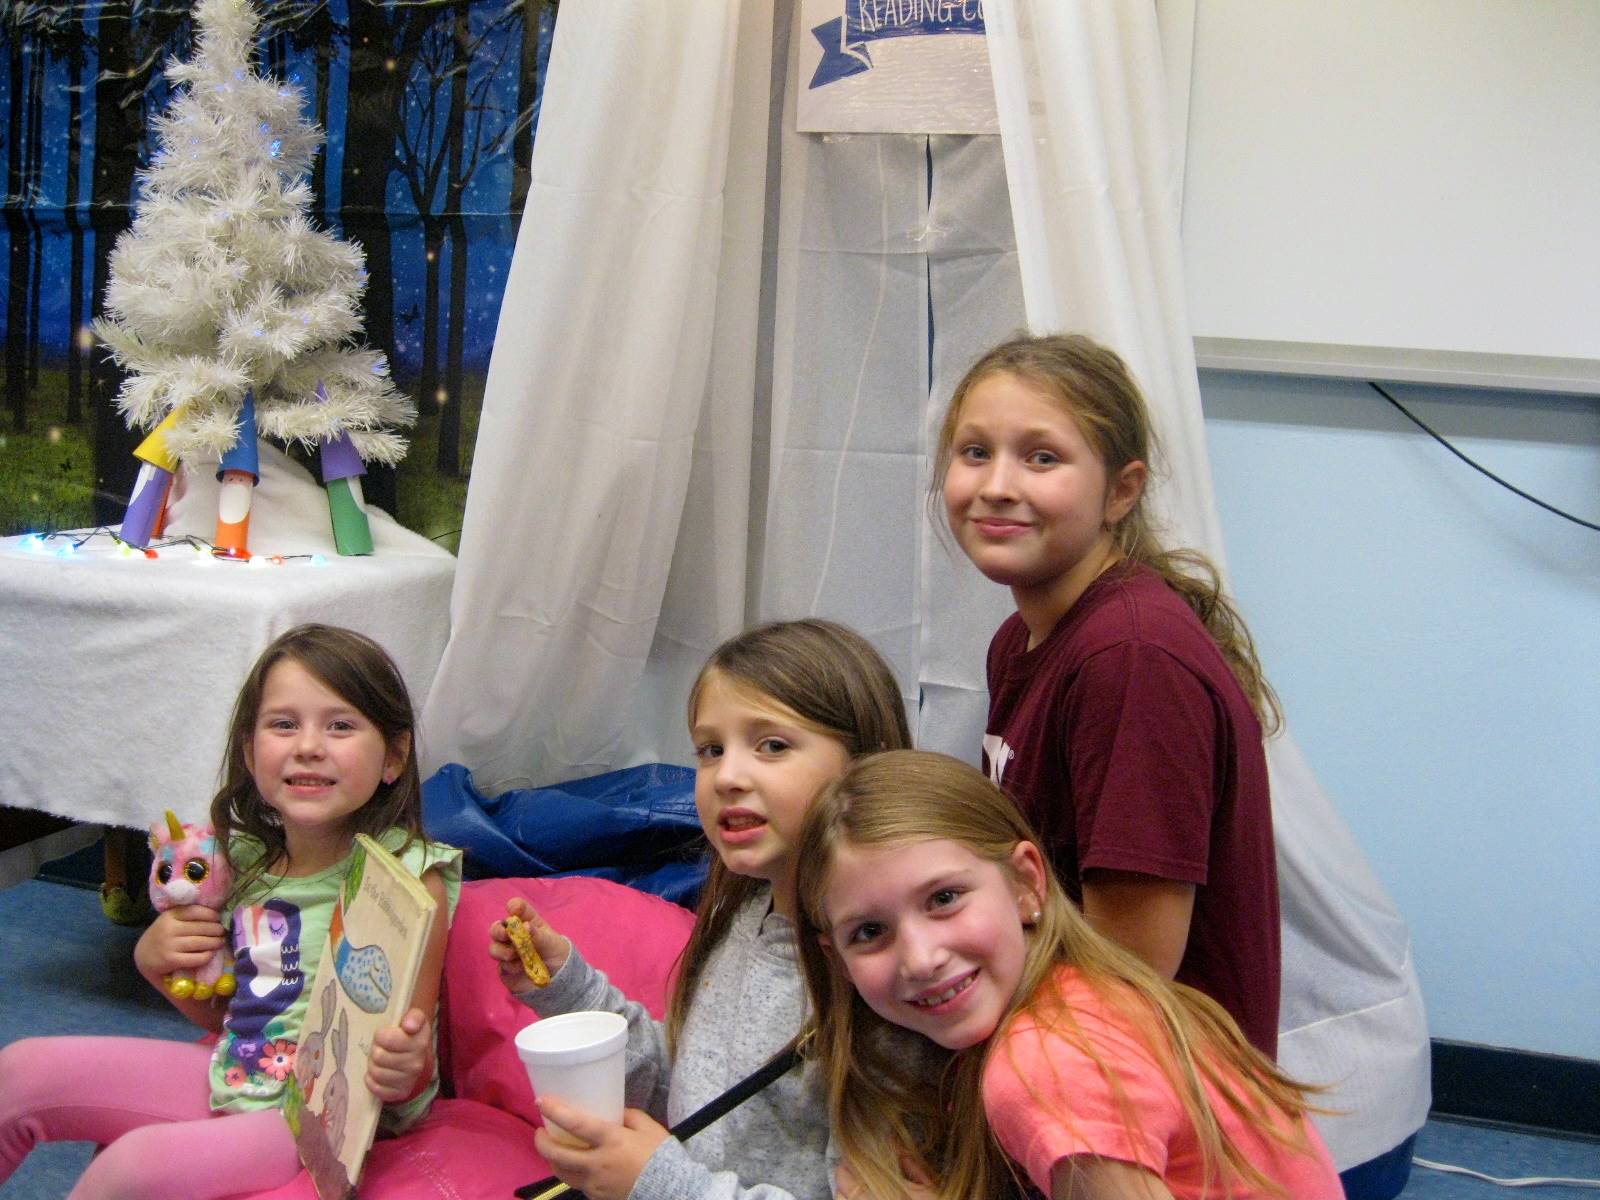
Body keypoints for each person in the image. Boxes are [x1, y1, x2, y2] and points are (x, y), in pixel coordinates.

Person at [0, 624, 461, 1200]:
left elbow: (408, 1065)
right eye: (283, 724)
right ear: (250, 751)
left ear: (394, 755)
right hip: (243, 1073)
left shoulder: (409, 874)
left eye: (341, 725)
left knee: (134, 1167)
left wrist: (405, 1064)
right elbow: (239, 1017)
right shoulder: (243, 862)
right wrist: (155, 963)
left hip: (314, 1117)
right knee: (19, 1071)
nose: (309, 745)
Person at [935, 332, 1282, 1056]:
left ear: (1121, 490)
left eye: (1042, 457)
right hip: (1074, 1041)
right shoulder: (1023, 639)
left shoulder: (1127, 659)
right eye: (975, 452)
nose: (997, 484)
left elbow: (1131, 969)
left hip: (1154, 1099)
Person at [795, 750, 1341, 1200]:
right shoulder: (1085, 991)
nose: (919, 958)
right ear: (835, 957)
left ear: (1026, 883)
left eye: (944, 899)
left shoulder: (1047, 1063)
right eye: (868, 933)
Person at [489, 618, 911, 1200]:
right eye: (711, 750)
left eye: (772, 745)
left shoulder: (891, 983)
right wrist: (569, 988)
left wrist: (659, 1184)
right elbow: (694, 1093)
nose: (728, 776)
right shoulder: (740, 918)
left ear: (868, 764)